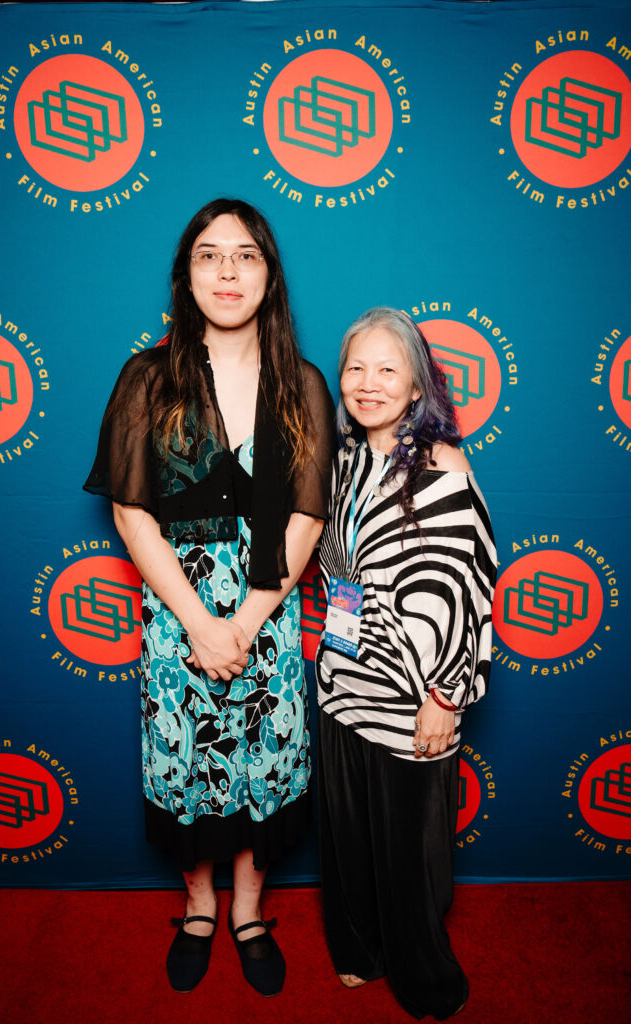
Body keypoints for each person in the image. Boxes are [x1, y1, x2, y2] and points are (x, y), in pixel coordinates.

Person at [84, 198, 334, 996]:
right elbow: (130, 510)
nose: (227, 270)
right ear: (185, 275)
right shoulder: (146, 377)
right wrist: (200, 622)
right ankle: (198, 907)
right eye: (208, 254)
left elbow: (305, 514)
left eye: (245, 254)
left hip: (268, 605)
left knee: (264, 760)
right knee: (188, 764)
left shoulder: (301, 383)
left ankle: (248, 910)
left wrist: (248, 620)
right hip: (177, 617)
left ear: (269, 273)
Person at [316, 307, 496, 1020]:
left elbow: (466, 585)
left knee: (409, 854)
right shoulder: (342, 459)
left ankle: (424, 977)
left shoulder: (441, 464)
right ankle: (358, 949)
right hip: (341, 682)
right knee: (350, 840)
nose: (368, 383)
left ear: (417, 388)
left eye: (387, 368)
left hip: (412, 695)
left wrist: (445, 696)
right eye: (355, 367)